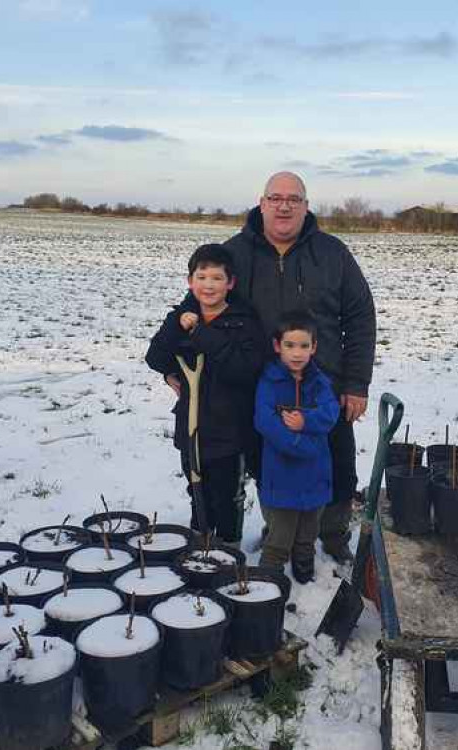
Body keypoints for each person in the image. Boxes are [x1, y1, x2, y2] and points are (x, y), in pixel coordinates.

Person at [224, 171, 376, 564]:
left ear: (306, 207)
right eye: (276, 198)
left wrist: (356, 383)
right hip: (262, 387)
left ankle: (332, 535)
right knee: (268, 464)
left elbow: (360, 317)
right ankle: (280, 533)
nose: (284, 205)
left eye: (294, 198)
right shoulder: (235, 254)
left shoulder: (332, 253)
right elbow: (204, 306)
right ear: (262, 203)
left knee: (337, 462)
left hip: (326, 387)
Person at [145, 243, 267, 543]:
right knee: (195, 484)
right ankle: (200, 540)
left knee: (226, 493)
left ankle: (228, 547)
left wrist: (201, 334)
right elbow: (156, 358)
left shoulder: (243, 322)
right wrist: (176, 330)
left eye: (216, 278)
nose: (208, 285)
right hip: (191, 425)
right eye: (201, 277)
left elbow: (244, 369)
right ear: (190, 281)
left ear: (230, 283)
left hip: (229, 428)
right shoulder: (180, 317)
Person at [254, 310, 340, 583]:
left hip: (314, 473)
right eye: (290, 345)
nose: (297, 353)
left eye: (304, 346)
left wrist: (306, 421)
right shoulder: (270, 382)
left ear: (314, 347)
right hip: (282, 473)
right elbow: (264, 420)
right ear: (278, 346)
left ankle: (304, 568)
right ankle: (268, 580)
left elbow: (330, 412)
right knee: (280, 534)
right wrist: (297, 443)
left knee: (307, 532)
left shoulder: (319, 382)